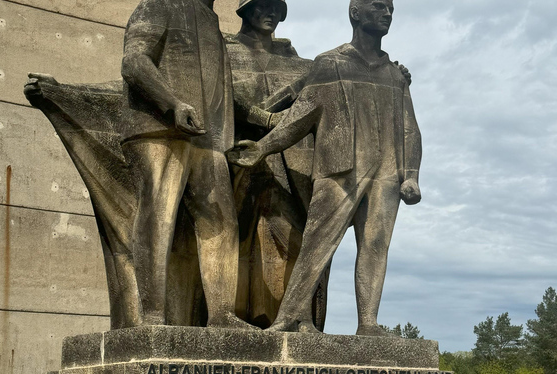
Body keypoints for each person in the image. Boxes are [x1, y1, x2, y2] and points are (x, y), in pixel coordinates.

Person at [228, 0, 422, 335]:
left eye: (390, 9)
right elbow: (299, 118)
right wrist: (263, 147)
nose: (387, 13)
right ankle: (289, 316)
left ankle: (368, 323)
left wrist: (412, 175)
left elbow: (410, 129)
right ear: (356, 14)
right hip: (339, 169)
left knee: (375, 245)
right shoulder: (330, 64)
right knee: (318, 242)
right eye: (378, 6)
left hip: (386, 175)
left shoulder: (394, 75)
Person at [121, 0, 252, 329]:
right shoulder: (158, 6)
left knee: (221, 222)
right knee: (157, 216)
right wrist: (172, 104)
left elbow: (226, 94)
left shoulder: (212, 25)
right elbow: (134, 62)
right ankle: (151, 316)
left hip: (207, 138)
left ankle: (222, 315)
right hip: (159, 129)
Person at [225, 0, 329, 329]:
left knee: (288, 239)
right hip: (238, 160)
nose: (270, 13)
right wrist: (265, 117)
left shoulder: (301, 66)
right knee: (239, 239)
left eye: (276, 7)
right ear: (245, 11)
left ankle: (289, 318)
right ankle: (237, 316)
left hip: (291, 168)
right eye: (261, 6)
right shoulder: (223, 53)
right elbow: (214, 94)